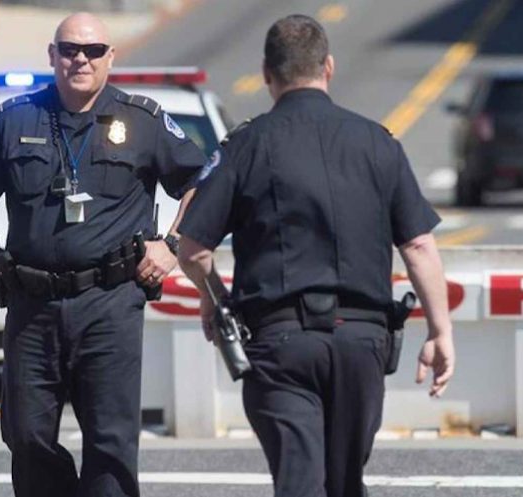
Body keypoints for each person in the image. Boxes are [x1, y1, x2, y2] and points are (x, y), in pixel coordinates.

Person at [177, 14, 455, 497]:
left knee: (300, 479)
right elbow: (417, 245)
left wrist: (214, 300)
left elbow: (193, 247)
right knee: (345, 483)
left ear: (267, 74)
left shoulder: (246, 145)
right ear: (329, 66)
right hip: (362, 342)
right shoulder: (377, 142)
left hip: (279, 343)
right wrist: (440, 331)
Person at [0, 12, 206, 497]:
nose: (80, 59)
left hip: (110, 305)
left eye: (92, 50)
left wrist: (170, 246)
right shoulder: (14, 118)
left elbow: (204, 183)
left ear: (111, 57)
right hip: (32, 304)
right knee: (25, 434)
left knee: (110, 441)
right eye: (69, 49)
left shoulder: (142, 119)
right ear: (52, 55)